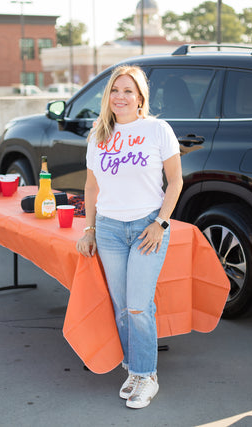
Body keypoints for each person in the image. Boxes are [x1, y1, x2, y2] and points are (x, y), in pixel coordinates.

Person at [76, 65, 183, 409]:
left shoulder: (157, 130)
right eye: (115, 91)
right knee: (123, 306)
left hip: (146, 228)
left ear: (140, 98)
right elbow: (91, 187)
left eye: (128, 91)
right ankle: (133, 369)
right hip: (108, 229)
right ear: (108, 96)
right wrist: (89, 228)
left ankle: (146, 374)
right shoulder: (98, 135)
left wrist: (161, 223)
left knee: (139, 305)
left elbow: (176, 181)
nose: (121, 97)